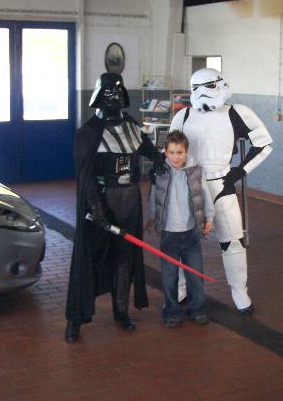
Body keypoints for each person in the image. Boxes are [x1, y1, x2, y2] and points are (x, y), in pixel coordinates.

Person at [65, 72, 164, 342]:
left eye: (118, 91)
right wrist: (95, 206)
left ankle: (121, 311)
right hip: (101, 202)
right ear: (99, 95)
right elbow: (85, 175)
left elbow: (148, 149)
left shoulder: (132, 126)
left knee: (124, 260)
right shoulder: (88, 133)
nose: (115, 96)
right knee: (90, 259)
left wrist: (159, 160)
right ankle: (76, 319)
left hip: (129, 200)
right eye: (109, 92)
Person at [170, 68, 272, 315]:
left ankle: (239, 292)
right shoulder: (183, 116)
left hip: (221, 183)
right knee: (184, 241)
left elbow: (263, 143)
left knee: (233, 241)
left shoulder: (237, 113)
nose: (202, 93)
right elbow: (170, 150)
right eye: (196, 87)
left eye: (208, 86)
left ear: (220, 85)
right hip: (189, 183)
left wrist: (240, 170)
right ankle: (181, 289)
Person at [145, 130, 215, 327]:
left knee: (195, 274)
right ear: (165, 152)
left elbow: (205, 195)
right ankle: (172, 312)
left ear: (186, 152)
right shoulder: (160, 171)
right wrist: (152, 218)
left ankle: (198, 309)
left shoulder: (196, 171)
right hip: (169, 234)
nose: (176, 157)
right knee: (169, 277)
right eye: (172, 153)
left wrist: (209, 217)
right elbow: (154, 197)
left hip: (191, 232)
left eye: (180, 152)